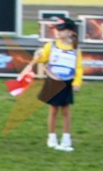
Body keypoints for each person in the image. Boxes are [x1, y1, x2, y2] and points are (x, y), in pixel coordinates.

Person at [20, 17, 83, 152]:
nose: (58, 32)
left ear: (71, 32)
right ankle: (52, 137)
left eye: (62, 30)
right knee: (53, 110)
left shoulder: (76, 49)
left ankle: (66, 138)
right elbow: (42, 58)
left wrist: (77, 83)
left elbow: (78, 68)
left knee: (66, 110)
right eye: (57, 30)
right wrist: (38, 55)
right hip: (53, 81)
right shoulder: (51, 45)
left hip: (67, 82)